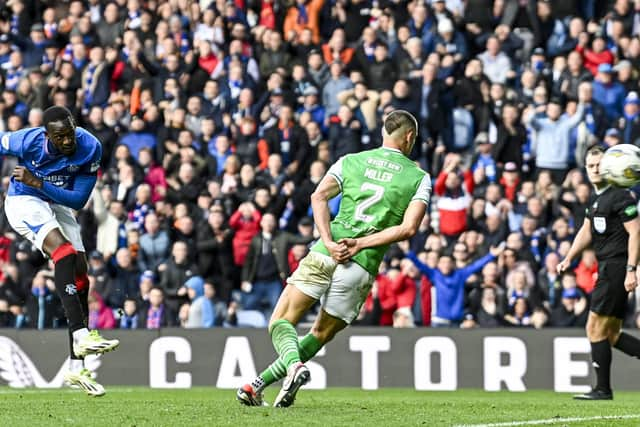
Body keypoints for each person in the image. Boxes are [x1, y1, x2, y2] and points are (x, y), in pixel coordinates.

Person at [237, 110, 431, 407]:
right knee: (320, 333)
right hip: (362, 265)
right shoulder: (419, 177)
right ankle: (257, 385)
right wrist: (360, 244)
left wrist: (328, 240)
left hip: (328, 250)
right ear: (409, 137)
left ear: (383, 133)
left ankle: (289, 368)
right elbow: (409, 228)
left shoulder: (351, 160)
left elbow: (318, 197)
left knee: (280, 321)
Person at [0, 106, 119, 397]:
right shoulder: (27, 140)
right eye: (60, 137)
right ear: (47, 135)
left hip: (55, 201)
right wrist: (31, 185)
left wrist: (38, 181)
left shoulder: (90, 146)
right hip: (24, 201)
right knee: (63, 252)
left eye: (70, 134)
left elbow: (78, 200)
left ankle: (76, 368)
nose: (68, 141)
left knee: (81, 275)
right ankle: (81, 335)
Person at [558, 145, 640, 400]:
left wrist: (630, 270)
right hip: (608, 267)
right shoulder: (596, 200)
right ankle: (602, 388)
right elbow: (586, 230)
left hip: (616, 268)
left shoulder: (620, 196)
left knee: (594, 327)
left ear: (609, 168)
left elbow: (636, 232)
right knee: (611, 334)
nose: (595, 169)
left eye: (599, 165)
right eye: (590, 165)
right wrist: (569, 257)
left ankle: (603, 389)